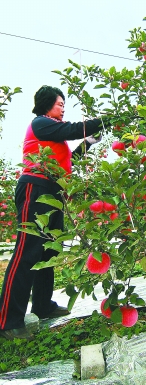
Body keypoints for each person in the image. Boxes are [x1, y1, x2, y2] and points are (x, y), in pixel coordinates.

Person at [0, 85, 108, 340]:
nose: (63, 109)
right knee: (26, 252)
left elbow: (70, 160)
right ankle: (8, 321)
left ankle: (42, 306)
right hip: (35, 190)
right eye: (61, 104)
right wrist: (105, 120)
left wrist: (89, 142)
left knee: (49, 251)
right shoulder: (40, 123)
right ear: (47, 104)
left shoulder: (52, 135)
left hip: (54, 194)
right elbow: (71, 129)